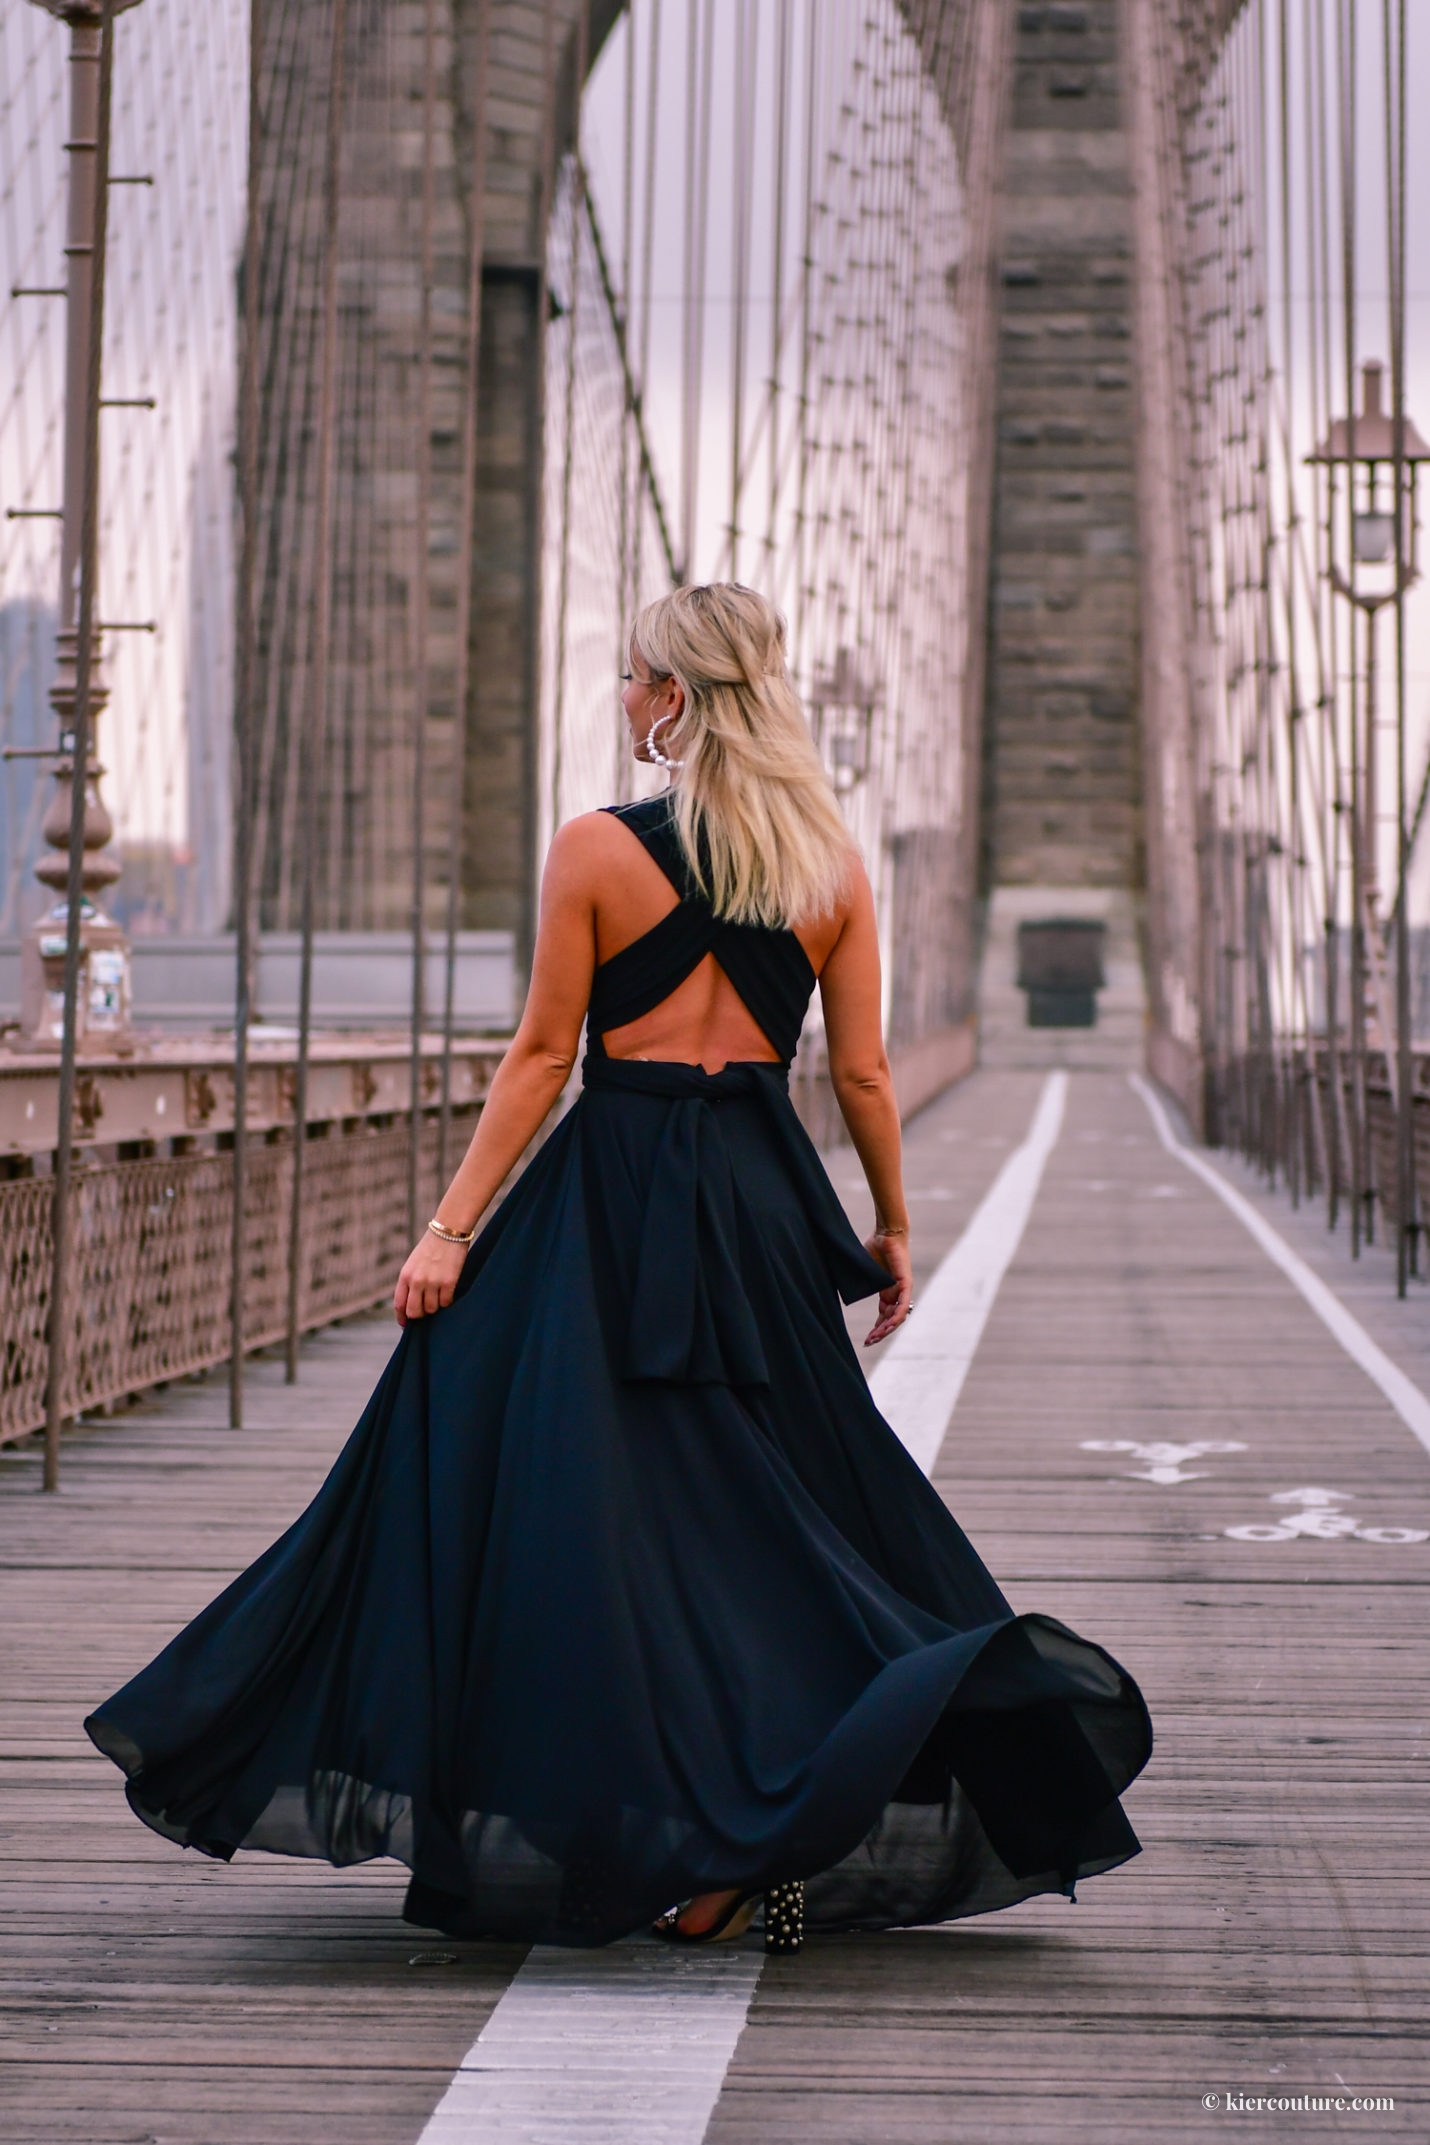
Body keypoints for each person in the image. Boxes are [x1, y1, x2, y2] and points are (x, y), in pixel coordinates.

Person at [86, 582, 1151, 1953]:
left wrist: (448, 1228)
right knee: (781, 1511)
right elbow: (865, 1071)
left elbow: (541, 1060)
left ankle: (603, 1818)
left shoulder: (595, 848)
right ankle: (753, 1840)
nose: (622, 695)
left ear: (671, 699)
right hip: (761, 1207)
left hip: (608, 1198)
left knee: (557, 1501)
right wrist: (890, 1226)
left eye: (631, 675)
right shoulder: (826, 863)